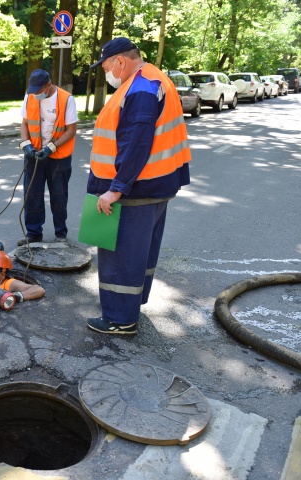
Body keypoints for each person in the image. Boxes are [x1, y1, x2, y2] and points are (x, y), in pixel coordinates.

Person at [85, 37, 191, 335]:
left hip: (133, 191)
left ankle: (120, 319)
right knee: (140, 253)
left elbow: (136, 144)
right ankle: (130, 305)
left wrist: (115, 189)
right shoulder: (153, 78)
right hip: (154, 186)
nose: (106, 73)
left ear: (120, 61)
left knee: (120, 255)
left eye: (106, 66)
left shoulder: (141, 89)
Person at [18, 69, 78, 246]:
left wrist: (51, 147)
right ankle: (34, 233)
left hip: (58, 156)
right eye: (33, 90)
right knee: (32, 194)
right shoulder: (30, 96)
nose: (35, 94)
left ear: (48, 85)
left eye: (38, 90)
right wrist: (26, 144)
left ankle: (61, 234)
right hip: (34, 154)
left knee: (58, 195)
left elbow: (71, 130)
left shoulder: (66, 99)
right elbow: (24, 123)